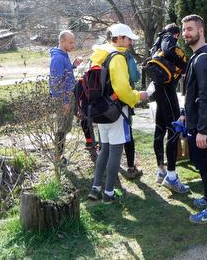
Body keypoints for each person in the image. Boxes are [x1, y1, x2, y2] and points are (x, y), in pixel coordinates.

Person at [87, 23, 148, 203]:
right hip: (116, 111)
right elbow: (122, 89)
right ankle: (109, 193)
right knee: (115, 152)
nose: (130, 42)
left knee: (104, 150)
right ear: (119, 38)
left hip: (99, 110)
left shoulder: (98, 55)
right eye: (128, 38)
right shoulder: (117, 57)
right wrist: (138, 96)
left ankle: (95, 188)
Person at [181, 14, 207, 225]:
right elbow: (194, 93)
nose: (186, 33)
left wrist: (202, 130)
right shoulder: (199, 56)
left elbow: (206, 97)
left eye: (190, 29)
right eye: (184, 29)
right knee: (204, 163)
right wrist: (185, 113)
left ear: (201, 31)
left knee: (206, 166)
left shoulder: (203, 59)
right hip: (196, 121)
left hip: (201, 125)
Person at [148, 23, 189, 193]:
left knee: (159, 130)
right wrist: (186, 65)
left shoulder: (155, 43)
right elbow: (169, 49)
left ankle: (161, 171)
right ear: (176, 34)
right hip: (167, 90)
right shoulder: (167, 38)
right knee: (174, 131)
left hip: (159, 90)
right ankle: (171, 177)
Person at [49, 30, 83, 161]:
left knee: (66, 126)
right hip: (63, 98)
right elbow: (55, 83)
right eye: (70, 42)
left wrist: (73, 66)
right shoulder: (57, 58)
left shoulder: (63, 55)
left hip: (68, 96)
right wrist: (65, 101)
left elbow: (65, 74)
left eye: (73, 42)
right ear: (62, 41)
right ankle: (57, 157)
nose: (73, 45)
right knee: (62, 128)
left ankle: (59, 155)